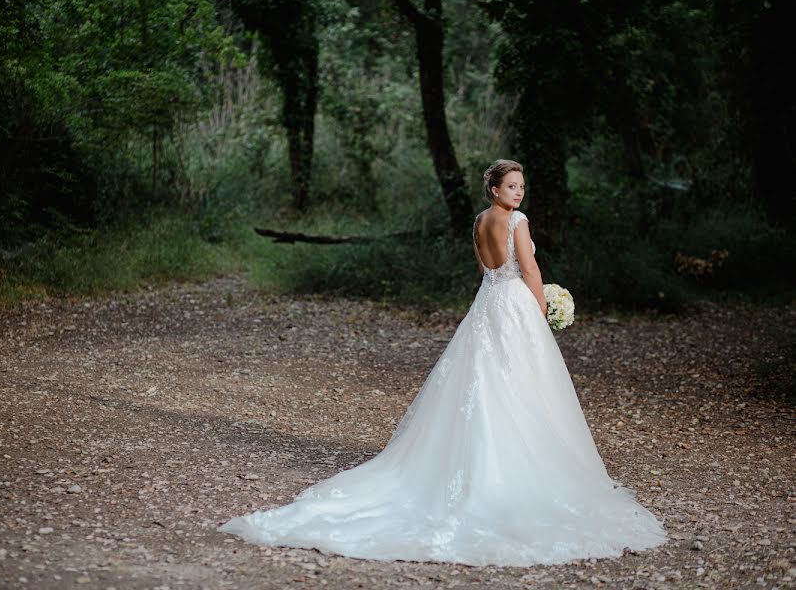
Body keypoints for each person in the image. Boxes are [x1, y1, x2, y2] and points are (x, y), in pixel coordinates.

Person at [218, 160, 668, 566]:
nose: (519, 193)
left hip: (488, 303)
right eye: (511, 186)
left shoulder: (478, 224)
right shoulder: (517, 222)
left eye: (522, 187)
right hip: (513, 305)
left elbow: (486, 271)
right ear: (493, 189)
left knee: (483, 380)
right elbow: (530, 270)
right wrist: (539, 311)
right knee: (520, 383)